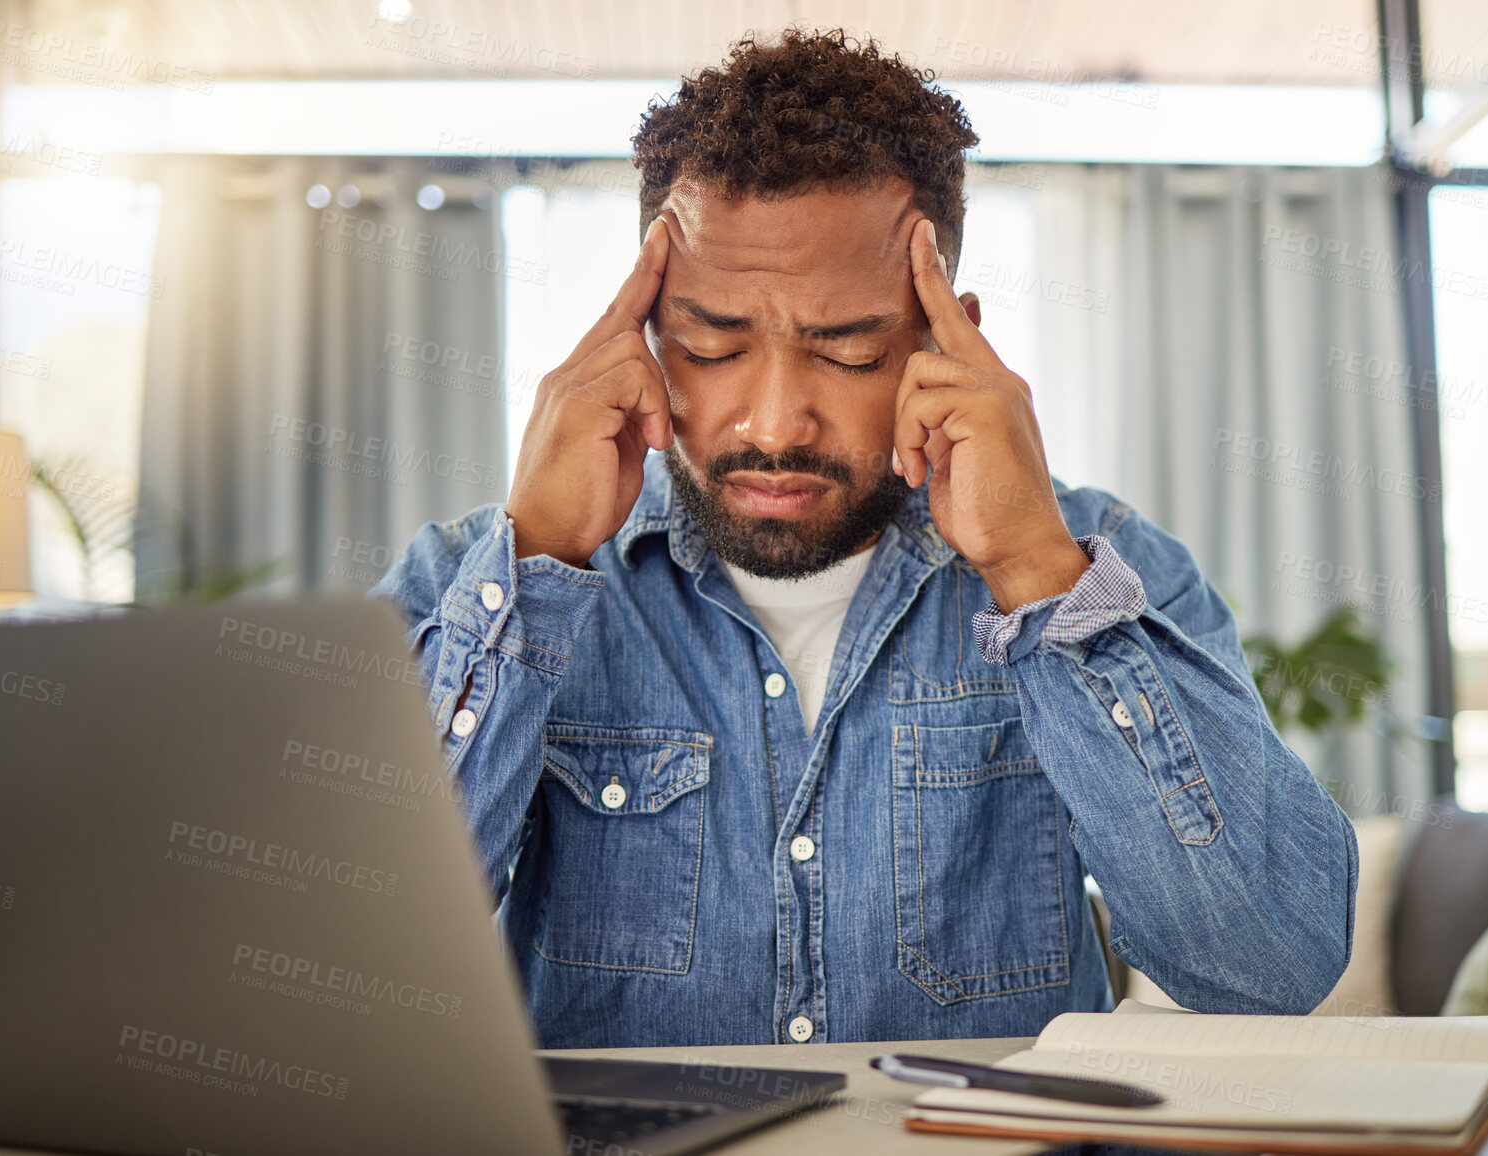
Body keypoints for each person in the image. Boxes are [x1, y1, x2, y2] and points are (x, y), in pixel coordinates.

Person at [373, 27, 1357, 1049]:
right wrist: (534, 568)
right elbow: (350, 972)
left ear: (948, 344)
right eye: (713, 346)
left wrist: (1034, 575)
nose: (774, 422)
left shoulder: (1104, 569)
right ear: (648, 338)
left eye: (846, 353)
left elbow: (1272, 965)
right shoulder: (470, 588)